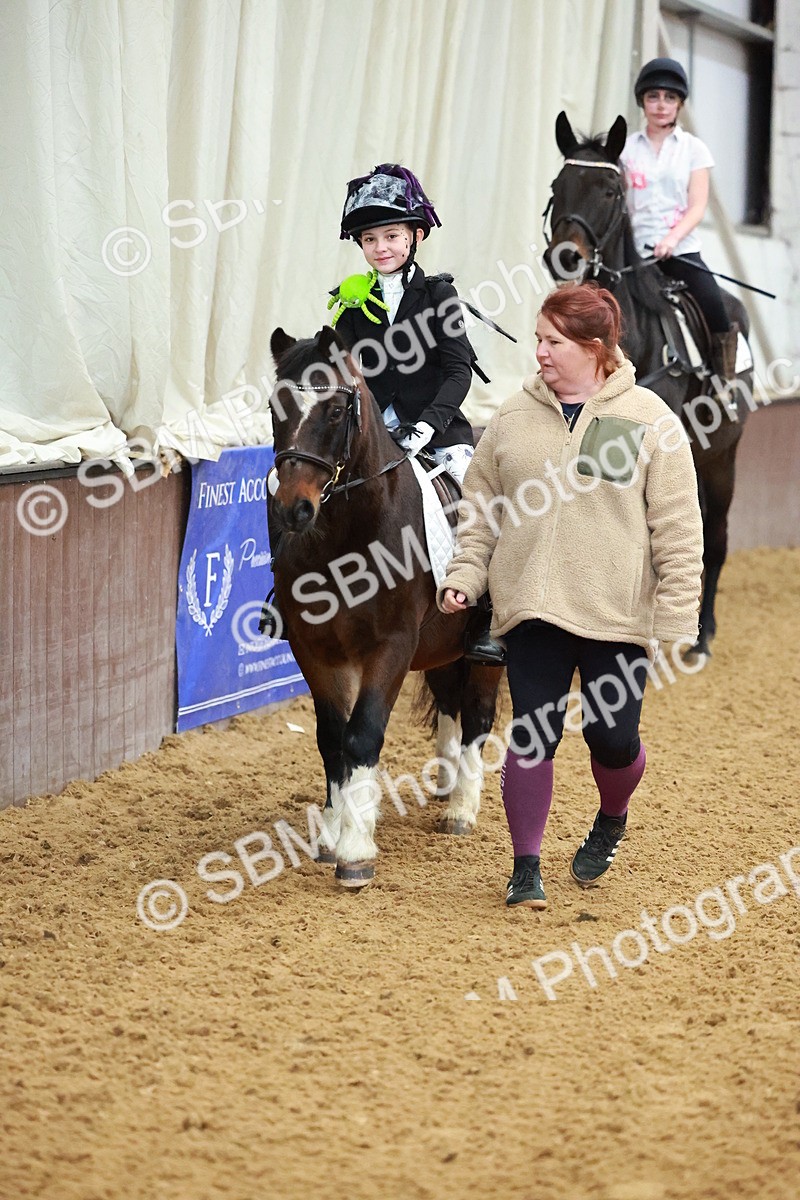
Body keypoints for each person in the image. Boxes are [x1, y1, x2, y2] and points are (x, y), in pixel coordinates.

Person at [437, 283, 704, 910]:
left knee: (612, 740)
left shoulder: (647, 420)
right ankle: (525, 866)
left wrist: (676, 617)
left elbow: (677, 527)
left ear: (595, 347)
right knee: (533, 735)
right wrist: (466, 575)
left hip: (616, 614)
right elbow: (479, 513)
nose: (540, 353)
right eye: (537, 339)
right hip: (533, 608)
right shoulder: (511, 418)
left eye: (553, 342)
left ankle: (612, 815)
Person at [331, 162, 505, 665]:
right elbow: (346, 381)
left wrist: (426, 423)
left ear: (415, 235)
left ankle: (487, 620)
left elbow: (458, 372)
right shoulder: (349, 307)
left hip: (439, 432)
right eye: (369, 239)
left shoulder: (438, 295)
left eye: (391, 235)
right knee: (298, 490)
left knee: (484, 508)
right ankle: (287, 595)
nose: (381, 247)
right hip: (373, 436)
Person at [621, 57, 738, 382]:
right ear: (642, 101)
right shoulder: (627, 151)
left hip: (680, 251)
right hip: (635, 257)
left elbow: (697, 206)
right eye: (653, 96)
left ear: (679, 104)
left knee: (715, 307)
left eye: (669, 98)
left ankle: (723, 382)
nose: (661, 105)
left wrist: (671, 240)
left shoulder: (693, 149)